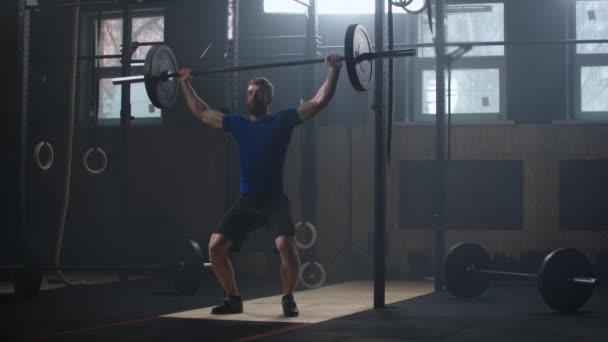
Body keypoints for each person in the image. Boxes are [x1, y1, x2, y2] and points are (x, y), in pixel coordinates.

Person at [177, 54, 342, 317]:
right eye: (250, 92)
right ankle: (233, 299)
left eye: (259, 93)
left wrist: (335, 70)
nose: (253, 96)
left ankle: (288, 298)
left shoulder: (283, 120)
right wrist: (185, 83)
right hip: (247, 201)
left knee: (286, 248)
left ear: (269, 98)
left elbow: (320, 100)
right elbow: (201, 112)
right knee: (215, 247)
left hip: (274, 201)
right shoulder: (238, 124)